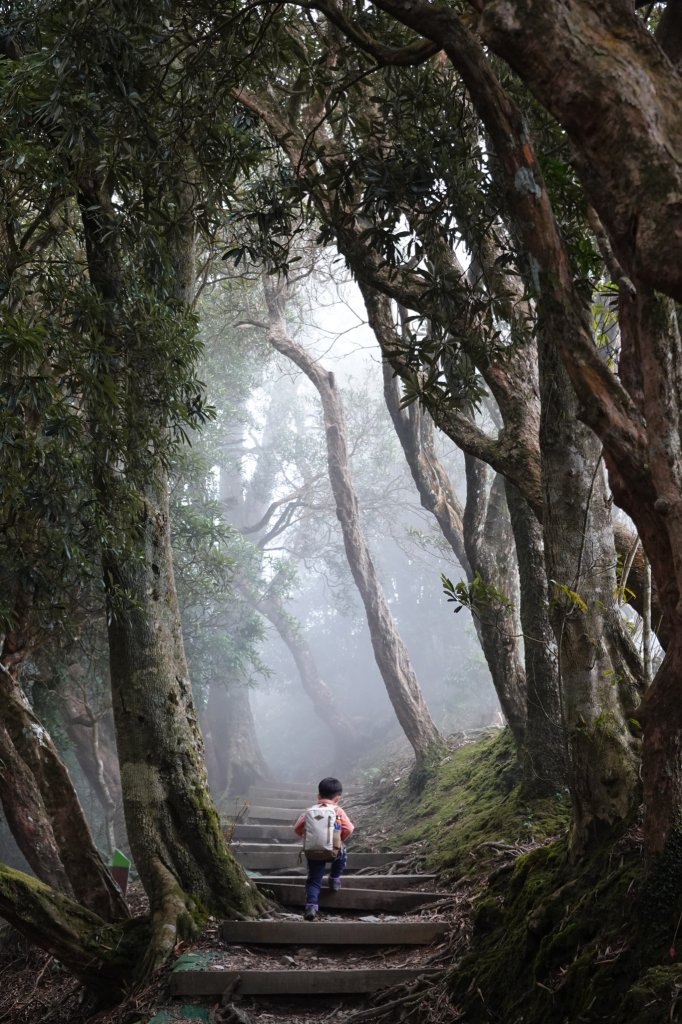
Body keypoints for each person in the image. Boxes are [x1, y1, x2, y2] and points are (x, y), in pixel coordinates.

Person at [293, 776, 355, 921]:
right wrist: (338, 840)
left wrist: (310, 838)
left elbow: (297, 829)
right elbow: (349, 829)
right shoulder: (338, 811)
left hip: (313, 852)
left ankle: (311, 906)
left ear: (318, 796)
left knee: (314, 880)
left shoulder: (310, 811)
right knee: (342, 853)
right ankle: (334, 878)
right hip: (334, 851)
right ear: (338, 798)